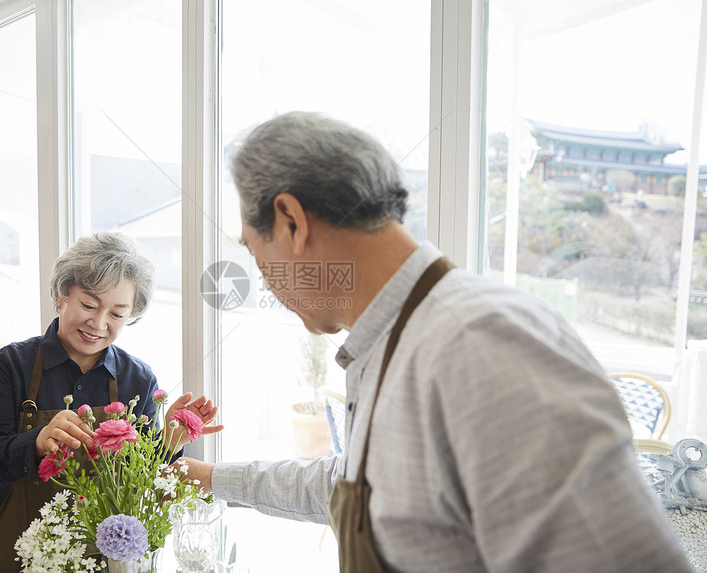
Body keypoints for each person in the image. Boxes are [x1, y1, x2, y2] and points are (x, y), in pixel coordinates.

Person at [182, 112, 693, 572]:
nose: (266, 280)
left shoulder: (479, 341)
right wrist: (207, 478)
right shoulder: (390, 342)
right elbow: (361, 485)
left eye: (254, 252)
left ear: (291, 221)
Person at [0, 232, 222, 572]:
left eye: (117, 314)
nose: (98, 324)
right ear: (61, 296)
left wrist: (169, 442)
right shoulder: (9, 366)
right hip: (19, 557)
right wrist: (38, 441)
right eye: (88, 305)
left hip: (107, 563)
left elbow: (145, 482)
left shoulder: (139, 380)